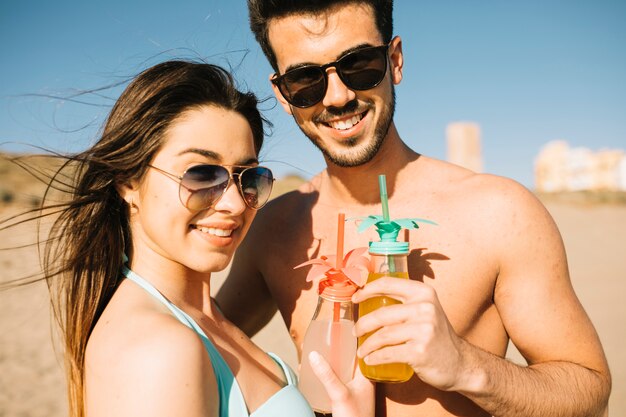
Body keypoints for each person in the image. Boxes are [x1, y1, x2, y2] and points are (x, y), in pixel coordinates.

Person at [216, 1, 612, 416]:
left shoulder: (500, 213)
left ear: (395, 61)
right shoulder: (274, 228)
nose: (338, 97)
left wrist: (466, 365)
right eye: (305, 80)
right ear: (282, 94)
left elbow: (590, 392)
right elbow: (199, 335)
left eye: (360, 64)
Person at [1, 60, 373, 417]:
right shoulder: (160, 351)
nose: (233, 204)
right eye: (201, 174)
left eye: (249, 177)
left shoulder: (206, 316)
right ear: (129, 183)